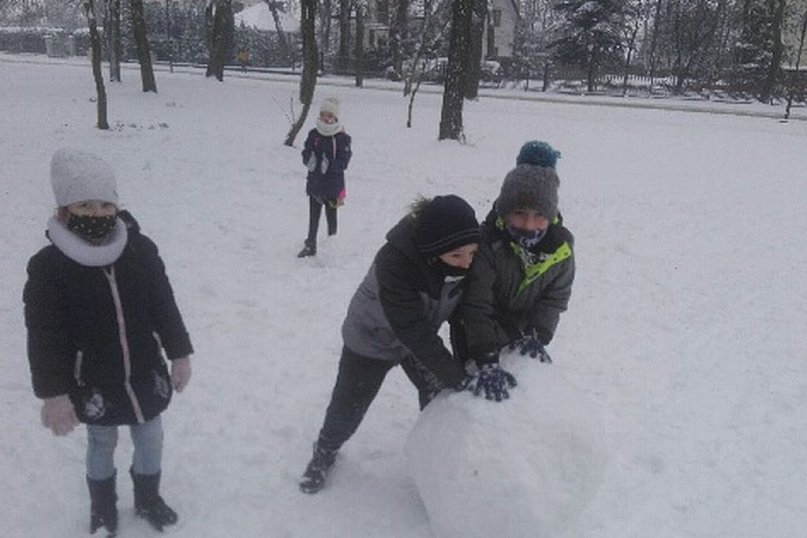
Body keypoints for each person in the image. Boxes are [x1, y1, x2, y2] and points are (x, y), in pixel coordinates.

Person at [23, 148, 194, 536]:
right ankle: (102, 508)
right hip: (94, 380)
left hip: (144, 372)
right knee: (101, 442)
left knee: (151, 436)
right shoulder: (49, 268)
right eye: (85, 203)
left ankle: (148, 497)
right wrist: (54, 394)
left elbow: (163, 304)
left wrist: (179, 352)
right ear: (65, 209)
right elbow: (44, 336)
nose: (97, 213)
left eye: (105, 204)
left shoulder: (140, 250)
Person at [299, 195, 507, 494]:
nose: (466, 263)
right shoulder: (394, 262)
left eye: (472, 253)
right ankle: (325, 451)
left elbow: (473, 310)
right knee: (349, 406)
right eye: (457, 256)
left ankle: (435, 459)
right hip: (372, 338)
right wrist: (459, 379)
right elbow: (413, 331)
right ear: (434, 251)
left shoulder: (467, 257)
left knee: (439, 397)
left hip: (419, 337)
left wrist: (484, 357)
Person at [458, 142, 574, 397]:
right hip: (476, 333)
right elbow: (477, 305)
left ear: (552, 215)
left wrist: (537, 335)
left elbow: (554, 301)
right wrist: (486, 358)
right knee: (466, 390)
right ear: (505, 211)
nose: (529, 225)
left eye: (539, 215)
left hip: (521, 334)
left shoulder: (561, 252)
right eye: (519, 213)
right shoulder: (488, 244)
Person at [297, 96, 352, 257]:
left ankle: (332, 247)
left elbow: (345, 161)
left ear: (335, 117)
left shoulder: (342, 138)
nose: (326, 119)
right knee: (313, 216)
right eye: (323, 114)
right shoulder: (314, 134)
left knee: (331, 216)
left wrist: (331, 166)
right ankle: (310, 244)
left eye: (329, 116)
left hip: (334, 187)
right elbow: (306, 151)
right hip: (315, 184)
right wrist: (309, 160)